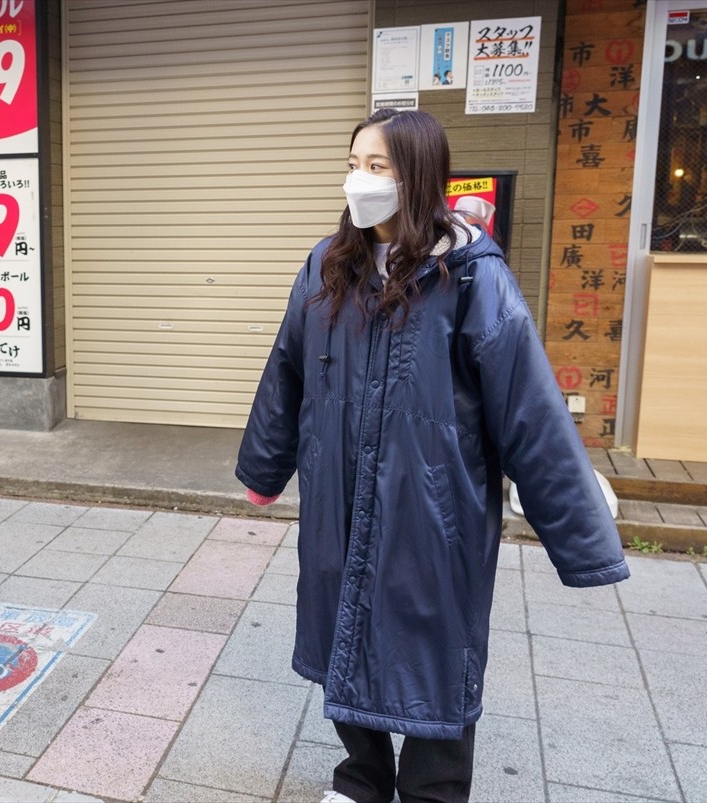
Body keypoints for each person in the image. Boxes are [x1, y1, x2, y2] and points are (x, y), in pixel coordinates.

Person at [235, 109, 629, 803]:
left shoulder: (470, 279)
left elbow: (529, 409)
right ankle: (360, 781)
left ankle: (432, 792)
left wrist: (580, 536)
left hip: (431, 513)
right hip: (335, 503)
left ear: (418, 175)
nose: (360, 178)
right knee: (341, 634)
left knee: (434, 656)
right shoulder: (328, 265)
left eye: (378, 166)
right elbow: (286, 371)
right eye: (354, 162)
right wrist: (265, 469)